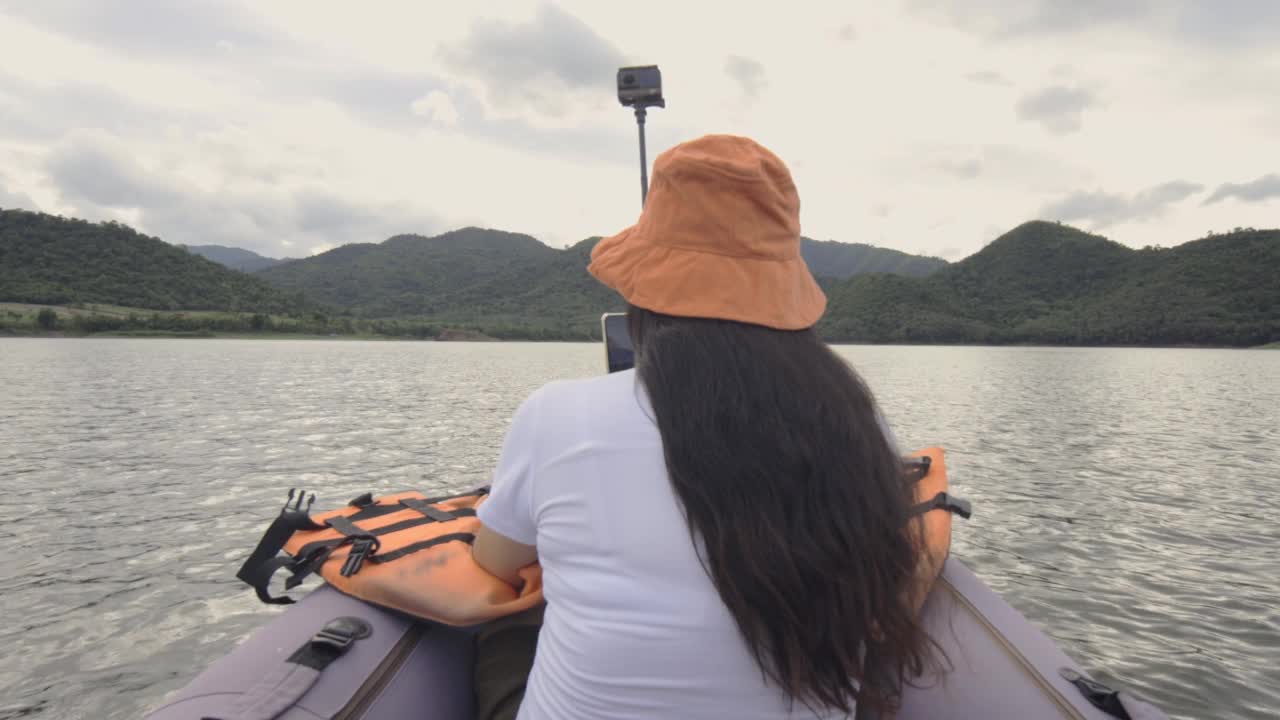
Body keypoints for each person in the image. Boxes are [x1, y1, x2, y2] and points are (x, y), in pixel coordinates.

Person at [471, 134, 936, 720]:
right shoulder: (854, 422)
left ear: (646, 300)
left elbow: (493, 561)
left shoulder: (555, 415)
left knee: (509, 622)